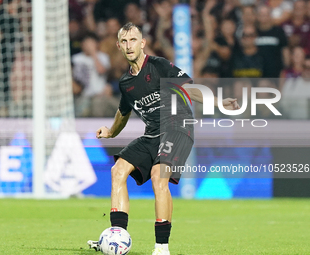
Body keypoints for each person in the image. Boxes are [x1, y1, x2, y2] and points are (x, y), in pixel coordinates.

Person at [87, 23, 239, 255]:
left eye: (133, 40)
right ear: (118, 45)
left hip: (177, 128)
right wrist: (110, 131)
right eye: (124, 42)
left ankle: (161, 248)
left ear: (142, 42)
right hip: (152, 135)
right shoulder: (126, 83)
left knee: (159, 177)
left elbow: (189, 88)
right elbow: (123, 113)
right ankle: (116, 238)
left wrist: (218, 102)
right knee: (118, 170)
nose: (129, 46)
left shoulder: (158, 66)